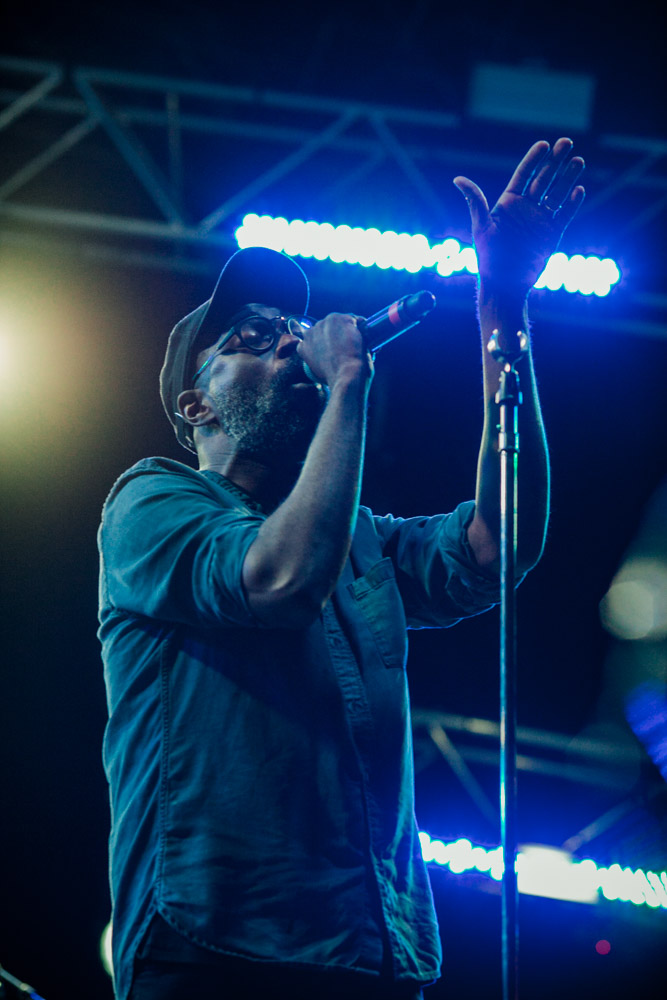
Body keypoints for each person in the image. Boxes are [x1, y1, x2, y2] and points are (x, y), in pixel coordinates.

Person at [98, 139, 584, 1000]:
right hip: (215, 947)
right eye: (251, 340)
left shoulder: (357, 536)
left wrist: (501, 309)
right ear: (196, 402)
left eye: (292, 333)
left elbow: (495, 547)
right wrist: (351, 379)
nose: (289, 346)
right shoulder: (151, 500)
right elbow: (276, 580)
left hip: (369, 948)